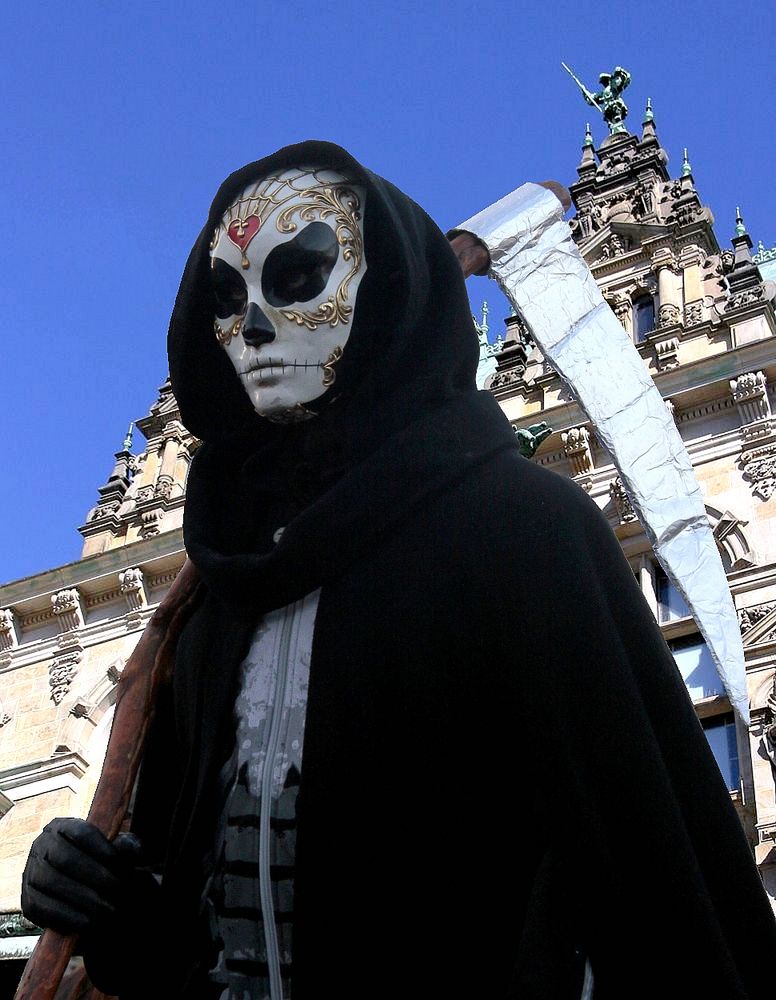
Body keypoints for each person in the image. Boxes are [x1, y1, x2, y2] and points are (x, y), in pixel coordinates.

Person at [22, 141, 776, 999]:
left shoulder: (522, 530)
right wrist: (107, 901)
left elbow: (660, 887)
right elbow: (185, 936)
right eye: (228, 297)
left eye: (301, 277)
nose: (254, 327)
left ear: (383, 296)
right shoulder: (213, 614)